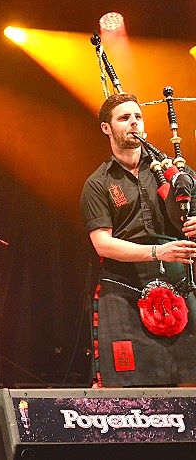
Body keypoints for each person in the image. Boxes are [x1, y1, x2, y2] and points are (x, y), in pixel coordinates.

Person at [81, 93, 196, 387]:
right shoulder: (98, 183)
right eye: (124, 118)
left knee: (190, 381)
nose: (133, 123)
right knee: (128, 390)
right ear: (106, 128)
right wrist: (158, 252)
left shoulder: (175, 173)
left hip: (180, 286)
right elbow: (103, 244)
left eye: (137, 117)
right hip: (124, 290)